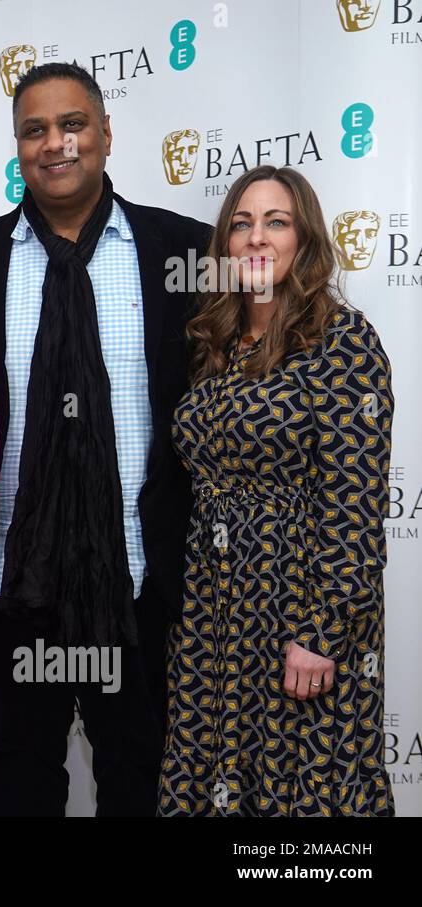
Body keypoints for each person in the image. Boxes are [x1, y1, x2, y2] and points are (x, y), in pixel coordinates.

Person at [0, 61, 211, 816]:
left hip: (143, 578)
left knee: (140, 775)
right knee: (19, 778)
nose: (56, 143)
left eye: (73, 124)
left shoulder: (186, 254)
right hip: (11, 583)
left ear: (107, 135)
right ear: (17, 146)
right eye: (34, 129)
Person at [160, 165, 394, 816]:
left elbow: (357, 503)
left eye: (276, 221)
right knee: (211, 779)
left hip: (299, 605)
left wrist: (321, 632)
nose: (256, 237)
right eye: (242, 223)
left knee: (304, 792)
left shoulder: (341, 341)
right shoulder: (217, 342)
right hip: (215, 609)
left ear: (305, 240)